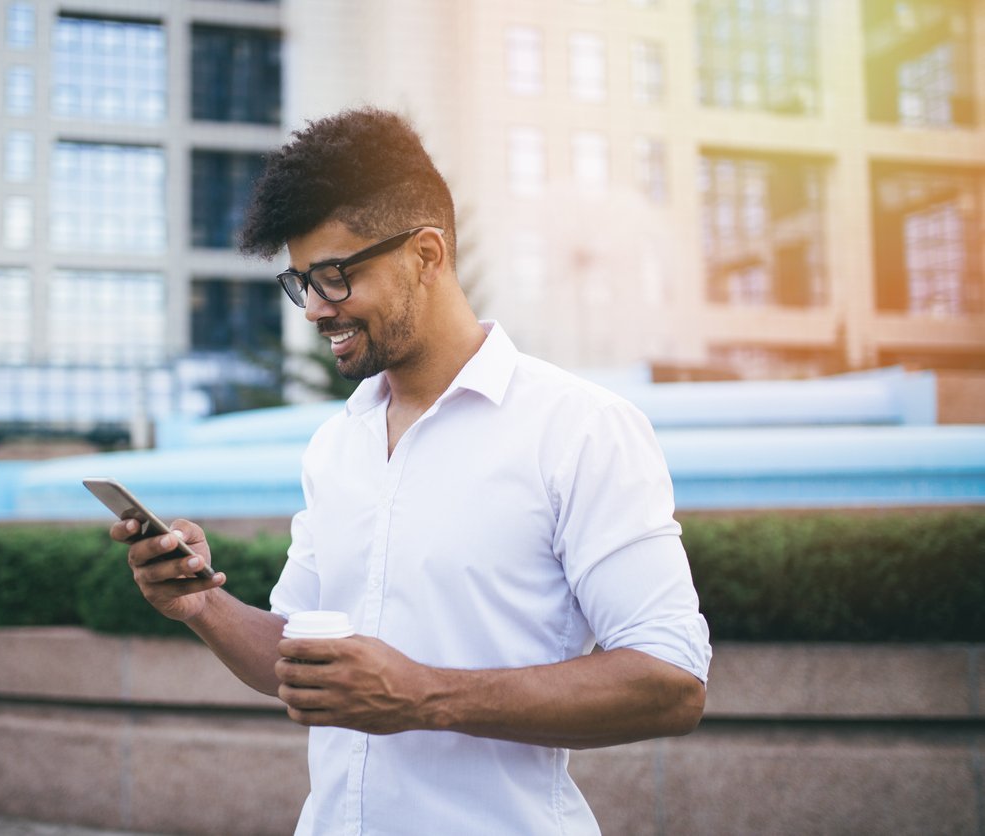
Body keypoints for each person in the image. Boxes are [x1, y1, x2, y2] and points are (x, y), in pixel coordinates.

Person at [112, 107, 711, 835]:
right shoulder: (337, 446)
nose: (315, 309)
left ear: (426, 255)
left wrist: (425, 695)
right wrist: (202, 607)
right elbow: (298, 660)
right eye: (302, 281)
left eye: (335, 276)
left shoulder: (581, 430)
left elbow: (671, 682)